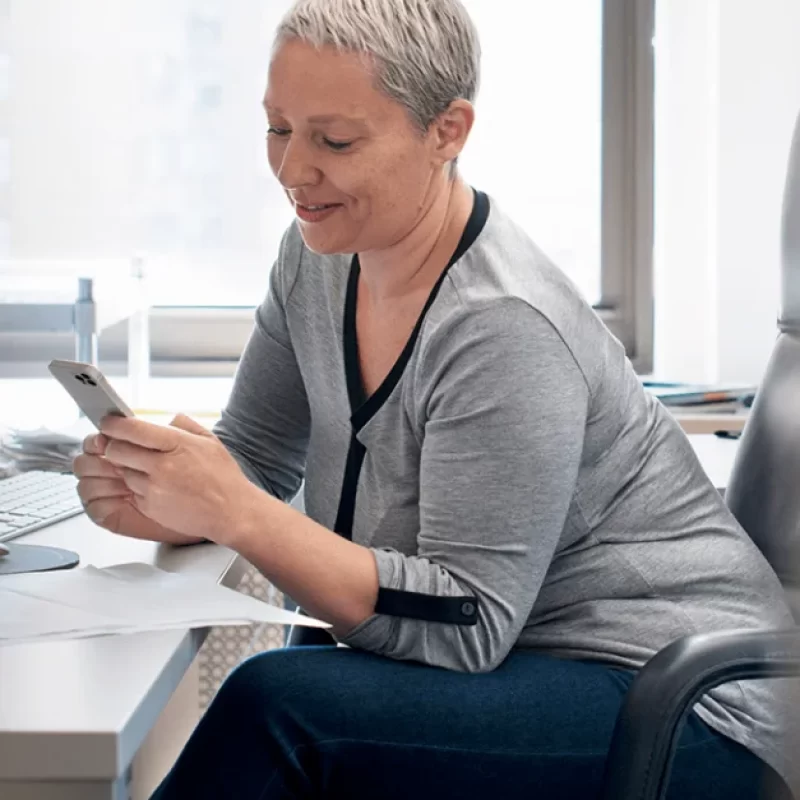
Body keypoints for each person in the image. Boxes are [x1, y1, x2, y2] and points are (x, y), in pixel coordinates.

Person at [73, 0, 794, 797]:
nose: (292, 170)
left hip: (681, 704)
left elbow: (467, 625)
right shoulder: (318, 254)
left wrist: (233, 511)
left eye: (334, 140)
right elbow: (255, 458)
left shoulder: (502, 327)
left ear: (447, 131)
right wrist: (156, 493)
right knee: (307, 673)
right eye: (278, 128)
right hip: (536, 663)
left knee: (280, 705)